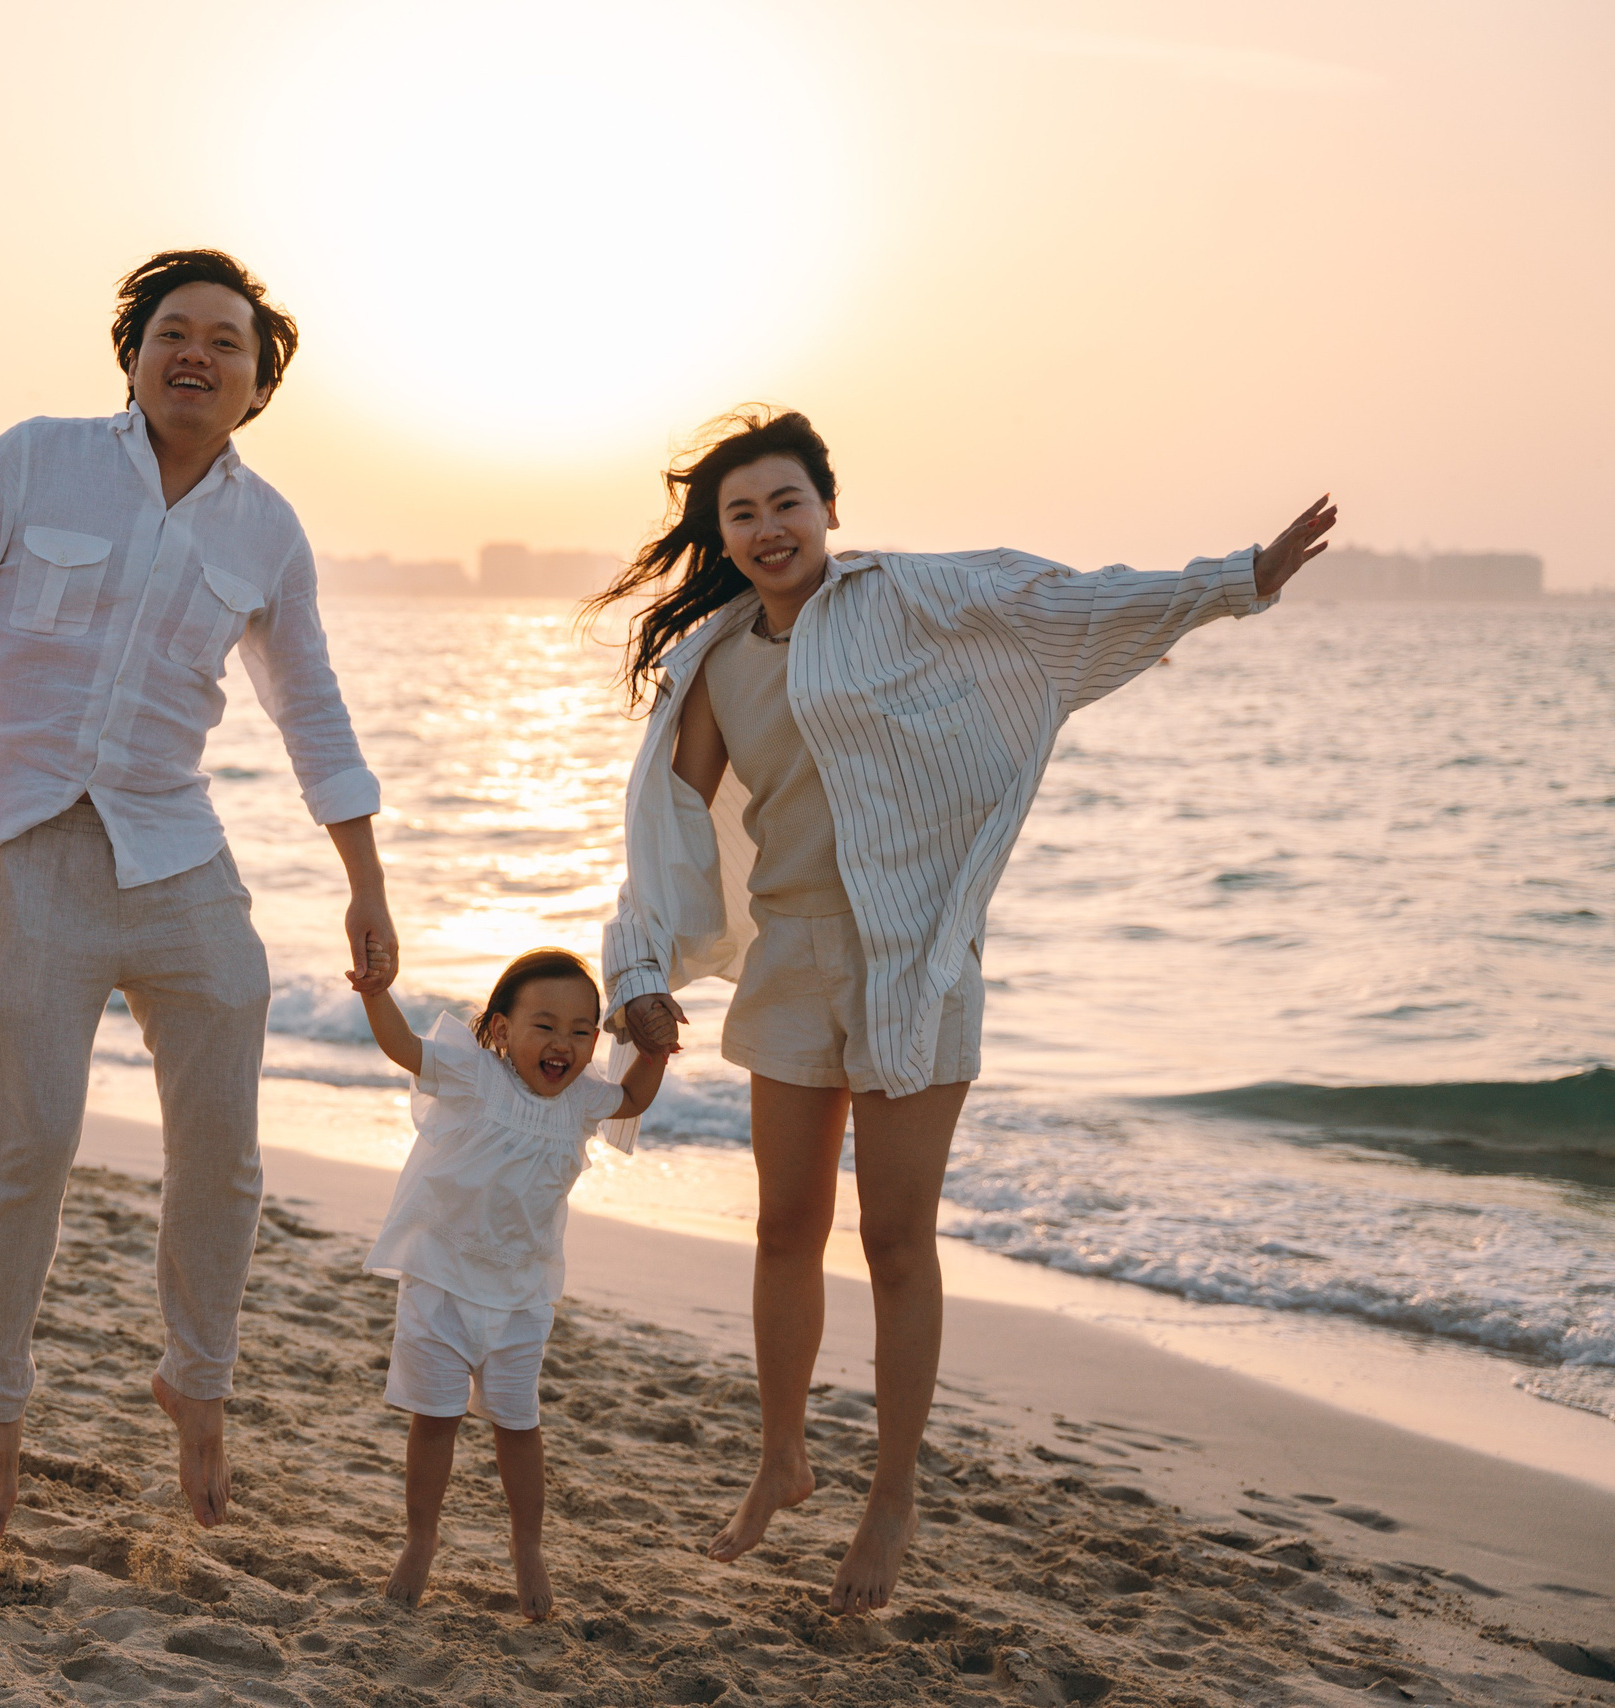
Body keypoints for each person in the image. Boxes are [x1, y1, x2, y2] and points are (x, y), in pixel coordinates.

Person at [586, 408, 1335, 1614]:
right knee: (782, 1226)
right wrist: (638, 969)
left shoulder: (916, 600)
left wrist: (1234, 581)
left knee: (894, 1240)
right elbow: (665, 832)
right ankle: (782, 1457)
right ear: (720, 539)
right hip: (793, 958)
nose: (768, 527)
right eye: (742, 514)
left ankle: (890, 1495)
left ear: (829, 506)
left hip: (918, 956)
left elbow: (1065, 606)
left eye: (786, 502)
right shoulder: (717, 662)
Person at [0, 250, 394, 1544]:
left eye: (226, 343)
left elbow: (310, 708)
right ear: (133, 354)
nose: (195, 353)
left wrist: (366, 883)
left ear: (260, 387)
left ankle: (195, 1384)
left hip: (177, 854)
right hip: (31, 845)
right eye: (172, 333)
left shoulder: (268, 532)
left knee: (229, 1154)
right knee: (24, 1140)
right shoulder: (33, 460)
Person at [354, 946, 670, 1620]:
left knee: (518, 1425)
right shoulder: (472, 1073)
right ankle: (420, 1541)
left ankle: (528, 1545)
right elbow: (403, 1046)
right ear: (500, 1030)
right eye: (545, 1025)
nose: (564, 1043)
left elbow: (636, 1095)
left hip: (523, 1296)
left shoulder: (583, 1100)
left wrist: (657, 1048)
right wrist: (376, 992)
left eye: (582, 1032)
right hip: (440, 1280)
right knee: (435, 1420)